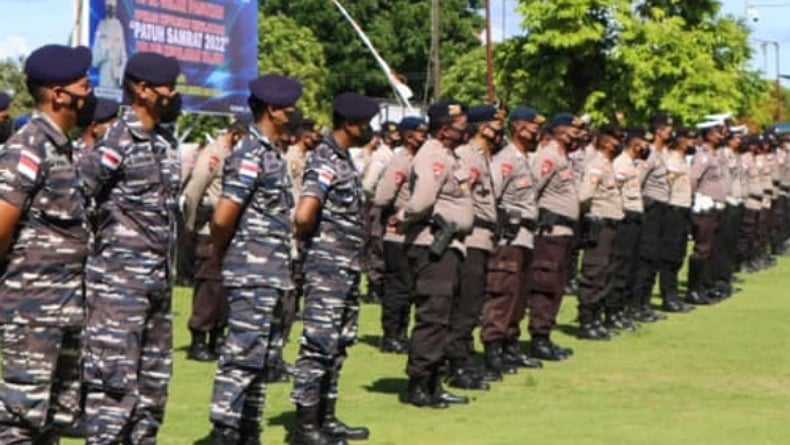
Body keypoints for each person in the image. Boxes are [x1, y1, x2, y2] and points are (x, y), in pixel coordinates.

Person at [80, 51, 182, 444]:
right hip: (117, 291)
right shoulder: (116, 140)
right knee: (113, 395)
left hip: (157, 287)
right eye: (167, 88)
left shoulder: (166, 142)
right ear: (141, 89)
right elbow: (79, 199)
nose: (173, 95)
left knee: (152, 395)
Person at [0, 43, 94, 444]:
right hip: (32, 312)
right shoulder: (27, 147)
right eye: (83, 84)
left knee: (53, 421)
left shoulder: (62, 148)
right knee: (19, 422)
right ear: (59, 93)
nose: (89, 92)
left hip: (64, 310)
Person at [204, 74, 302, 444]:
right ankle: (225, 429)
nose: (293, 114)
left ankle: (248, 429)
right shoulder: (249, 154)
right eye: (288, 108)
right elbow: (223, 216)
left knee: (262, 358)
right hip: (251, 271)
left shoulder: (270, 153)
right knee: (242, 354)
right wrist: (221, 253)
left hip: (271, 272)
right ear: (273, 111)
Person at [290, 92, 379, 444]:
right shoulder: (325, 159)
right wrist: (317, 248)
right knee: (318, 344)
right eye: (365, 123)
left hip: (345, 266)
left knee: (338, 344)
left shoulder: (342, 159)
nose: (370, 129)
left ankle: (326, 417)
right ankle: (306, 425)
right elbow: (304, 213)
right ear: (349, 124)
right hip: (327, 266)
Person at [395, 99, 473, 409]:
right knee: (433, 316)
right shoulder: (432, 156)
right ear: (443, 128)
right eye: (460, 125)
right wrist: (402, 217)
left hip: (450, 247)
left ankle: (433, 382)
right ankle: (420, 384)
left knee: (445, 316)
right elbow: (422, 200)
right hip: (433, 246)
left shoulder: (448, 155)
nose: (465, 130)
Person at [481, 106, 545, 374]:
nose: (538, 133)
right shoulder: (505, 160)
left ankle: (510, 344)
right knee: (503, 294)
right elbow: (490, 194)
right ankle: (493, 348)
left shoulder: (523, 158)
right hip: (510, 237)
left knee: (519, 295)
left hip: (526, 238)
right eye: (533, 128)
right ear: (518, 128)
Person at [181, 120, 249, 363]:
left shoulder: (239, 154)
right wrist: (189, 226)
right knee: (208, 287)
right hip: (210, 228)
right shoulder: (214, 154)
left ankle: (218, 337)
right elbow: (192, 192)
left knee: (225, 287)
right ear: (236, 134)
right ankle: (199, 337)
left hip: (232, 230)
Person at [525, 113, 582, 361]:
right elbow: (532, 188)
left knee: (557, 286)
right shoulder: (548, 155)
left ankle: (545, 334)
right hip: (549, 233)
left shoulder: (562, 157)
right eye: (572, 130)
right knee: (545, 285)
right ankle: (538, 337)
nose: (577, 134)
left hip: (563, 233)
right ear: (558, 130)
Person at [372, 116, 428, 354]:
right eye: (419, 133)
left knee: (413, 287)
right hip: (398, 233)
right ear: (407, 136)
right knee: (398, 287)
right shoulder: (401, 161)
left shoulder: (422, 159)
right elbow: (383, 196)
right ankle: (392, 334)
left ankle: (403, 332)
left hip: (418, 232)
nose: (424, 136)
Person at [634, 114, 693, 314]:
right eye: (668, 128)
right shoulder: (649, 153)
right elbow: (638, 182)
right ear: (659, 130)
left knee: (656, 257)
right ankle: (637, 304)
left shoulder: (663, 154)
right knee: (647, 257)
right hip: (651, 210)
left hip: (663, 210)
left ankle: (645, 303)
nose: (672, 132)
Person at [576, 124, 624, 340]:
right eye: (615, 139)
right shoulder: (597, 163)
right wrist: (589, 216)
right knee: (595, 271)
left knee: (607, 271)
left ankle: (596, 316)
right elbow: (584, 195)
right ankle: (587, 319)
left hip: (611, 223)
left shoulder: (607, 163)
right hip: (600, 223)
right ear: (605, 141)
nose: (619, 143)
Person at [607, 128, 650, 328]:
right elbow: (614, 192)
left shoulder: (632, 164)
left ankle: (620, 309)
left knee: (630, 266)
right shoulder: (620, 164)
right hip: (624, 219)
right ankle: (612, 311)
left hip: (635, 218)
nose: (646, 146)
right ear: (635, 144)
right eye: (643, 142)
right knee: (619, 267)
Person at [686, 120, 727, 306]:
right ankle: (693, 289)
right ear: (709, 134)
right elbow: (693, 179)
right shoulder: (702, 156)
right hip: (704, 205)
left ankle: (704, 286)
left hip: (715, 206)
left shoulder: (714, 155)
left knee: (711, 248)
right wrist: (694, 200)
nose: (721, 135)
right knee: (702, 248)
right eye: (718, 131)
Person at [360, 121, 400, 304]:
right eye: (393, 133)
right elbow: (368, 184)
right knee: (377, 245)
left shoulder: (393, 154)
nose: (397, 135)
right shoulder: (382, 156)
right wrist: (377, 200)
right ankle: (374, 286)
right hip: (378, 205)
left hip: (387, 205)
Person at [661, 128, 697, 311]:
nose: (694, 142)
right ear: (680, 141)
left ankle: (673, 295)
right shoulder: (673, 161)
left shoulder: (682, 160)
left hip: (683, 210)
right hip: (673, 210)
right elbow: (666, 186)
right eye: (690, 138)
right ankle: (668, 297)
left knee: (678, 255)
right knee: (670, 256)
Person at [92, 0, 127, 89]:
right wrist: (106, 47)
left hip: (115, 79)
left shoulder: (119, 26)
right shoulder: (101, 25)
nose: (111, 9)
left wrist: (119, 72)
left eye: (113, 7)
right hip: (104, 76)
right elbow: (94, 60)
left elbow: (124, 56)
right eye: (109, 7)